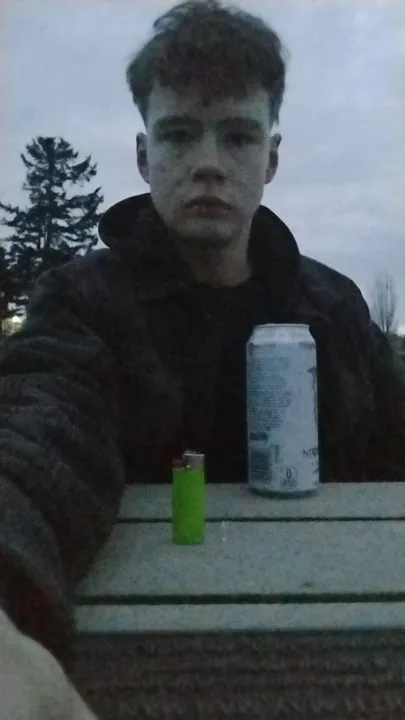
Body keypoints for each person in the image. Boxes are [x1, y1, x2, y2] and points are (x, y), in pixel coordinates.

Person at [1, 0, 405, 715]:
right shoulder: (83, 302)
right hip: (138, 665)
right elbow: (39, 432)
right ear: (143, 155)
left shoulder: (332, 308)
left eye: (238, 136)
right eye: (180, 134)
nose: (209, 164)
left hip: (338, 651)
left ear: (270, 159)